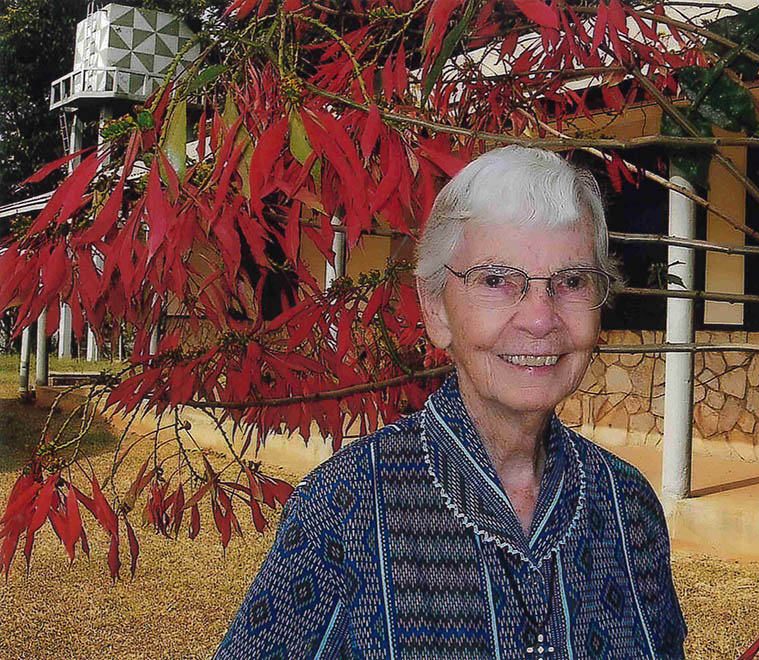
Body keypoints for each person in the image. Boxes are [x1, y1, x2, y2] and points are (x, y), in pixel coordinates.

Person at [214, 145, 687, 659]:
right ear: (436, 308)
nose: (540, 318)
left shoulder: (628, 507)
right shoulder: (344, 509)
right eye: (496, 281)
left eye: (570, 282)